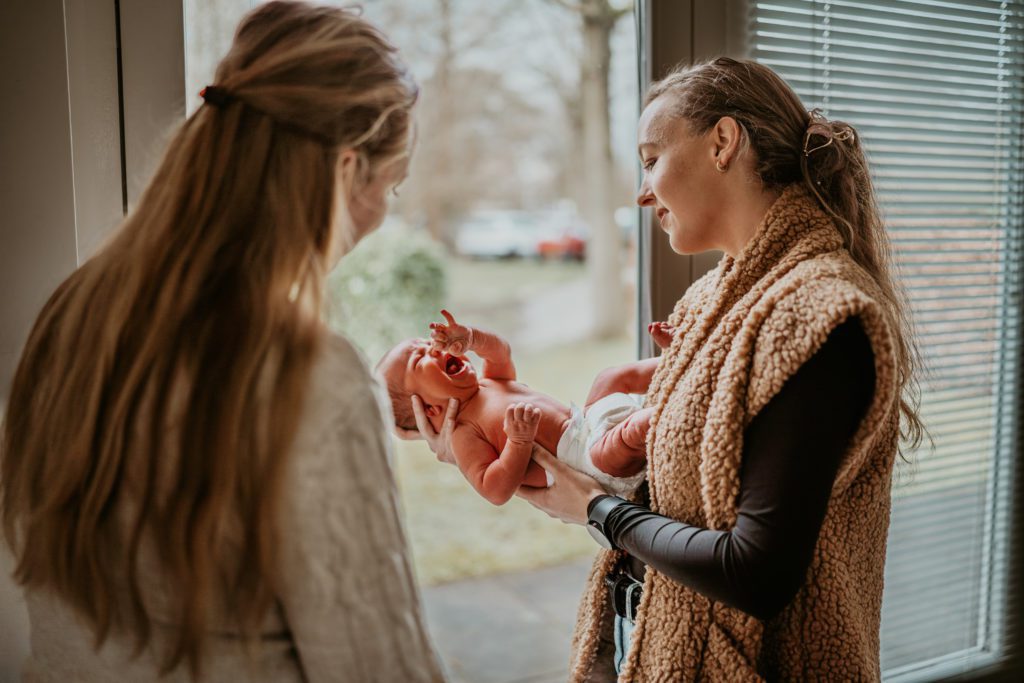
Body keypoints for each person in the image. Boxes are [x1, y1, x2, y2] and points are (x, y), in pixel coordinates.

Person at [416, 57, 926, 681]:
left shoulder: (821, 316)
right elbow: (674, 492)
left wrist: (597, 512)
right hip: (653, 639)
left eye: (651, 158)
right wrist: (493, 437)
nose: (641, 190)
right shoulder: (714, 301)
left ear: (723, 142)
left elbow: (754, 572)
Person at [0, 3, 445, 681]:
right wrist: (338, 410)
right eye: (391, 183)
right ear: (346, 169)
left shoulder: (73, 316)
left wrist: (359, 415)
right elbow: (378, 668)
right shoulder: (308, 379)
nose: (383, 213)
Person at [378, 311, 672, 501]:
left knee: (610, 377)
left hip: (586, 422)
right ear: (429, 409)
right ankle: (673, 412)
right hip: (589, 465)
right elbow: (493, 489)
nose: (433, 348)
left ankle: (678, 361)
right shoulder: (463, 433)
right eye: (420, 358)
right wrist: (518, 442)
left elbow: (500, 353)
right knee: (633, 431)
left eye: (424, 342)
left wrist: (472, 338)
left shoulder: (488, 383)